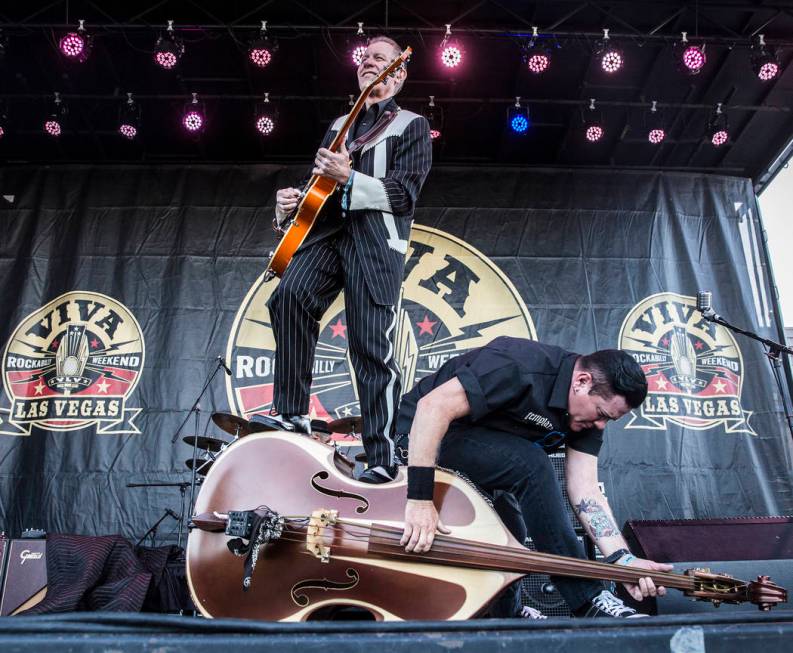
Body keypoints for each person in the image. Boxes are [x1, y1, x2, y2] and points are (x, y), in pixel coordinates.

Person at [253, 36, 432, 484]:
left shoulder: (412, 125)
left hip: (374, 244)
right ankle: (292, 412)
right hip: (327, 236)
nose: (368, 63)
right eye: (364, 57)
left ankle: (383, 457)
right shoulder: (340, 124)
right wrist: (286, 208)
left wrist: (349, 176)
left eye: (380, 58)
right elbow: (319, 188)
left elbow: (403, 195)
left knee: (371, 349)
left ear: (399, 72)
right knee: (287, 296)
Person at [394, 336, 674, 618]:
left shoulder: (587, 417)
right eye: (600, 413)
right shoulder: (516, 364)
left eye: (609, 420)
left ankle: (507, 615)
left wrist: (622, 558)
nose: (600, 425)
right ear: (582, 382)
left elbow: (586, 490)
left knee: (511, 528)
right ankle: (587, 600)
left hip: (482, 450)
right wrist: (419, 499)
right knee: (532, 464)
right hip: (422, 435)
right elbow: (431, 408)